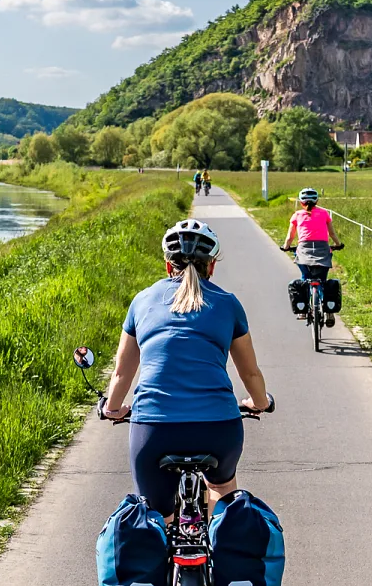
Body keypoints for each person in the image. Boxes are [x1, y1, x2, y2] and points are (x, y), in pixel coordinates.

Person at [102, 219, 272, 518]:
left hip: (154, 430)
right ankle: (222, 541)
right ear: (212, 267)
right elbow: (250, 373)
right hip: (218, 429)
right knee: (222, 490)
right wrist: (260, 403)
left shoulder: (142, 301)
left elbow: (121, 374)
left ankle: (164, 548)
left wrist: (112, 408)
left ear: (169, 266)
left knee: (157, 518)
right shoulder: (228, 304)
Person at [281, 187, 344, 322]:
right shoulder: (324, 213)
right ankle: (329, 313)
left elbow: (290, 236)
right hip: (323, 249)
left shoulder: (297, 215)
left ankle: (303, 312)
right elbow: (332, 234)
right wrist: (338, 244)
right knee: (323, 280)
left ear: (301, 202)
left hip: (304, 249)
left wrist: (285, 247)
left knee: (305, 277)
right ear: (317, 201)